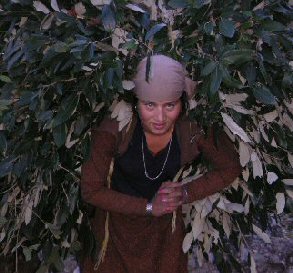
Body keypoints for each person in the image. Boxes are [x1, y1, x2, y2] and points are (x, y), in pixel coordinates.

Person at [80, 55, 242, 273]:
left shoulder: (191, 129)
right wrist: (148, 207)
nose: (160, 117)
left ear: (181, 103)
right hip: (115, 232)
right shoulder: (114, 129)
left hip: (164, 233)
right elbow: (90, 190)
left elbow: (230, 166)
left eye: (170, 105)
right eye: (149, 105)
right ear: (136, 102)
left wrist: (185, 193)